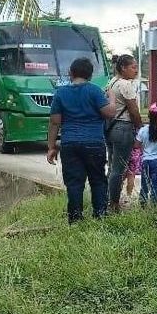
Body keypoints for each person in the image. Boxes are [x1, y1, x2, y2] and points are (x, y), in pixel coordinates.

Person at [47, 58, 116, 223]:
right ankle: (100, 216)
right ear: (90, 75)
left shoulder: (61, 93)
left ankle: (75, 219)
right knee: (98, 180)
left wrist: (51, 147)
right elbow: (109, 113)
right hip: (94, 143)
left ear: (71, 72)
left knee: (74, 183)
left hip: (70, 144)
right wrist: (112, 97)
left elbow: (55, 122)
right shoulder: (95, 91)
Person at [106, 54, 142, 213]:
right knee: (118, 169)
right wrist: (140, 129)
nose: (136, 70)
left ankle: (108, 198)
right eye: (133, 67)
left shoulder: (112, 82)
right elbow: (134, 111)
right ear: (123, 68)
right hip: (124, 128)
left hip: (111, 126)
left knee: (112, 166)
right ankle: (114, 204)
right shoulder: (125, 85)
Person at [134, 106, 157, 208]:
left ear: (149, 117)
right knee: (155, 186)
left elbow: (136, 145)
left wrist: (144, 147)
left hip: (146, 161)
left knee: (144, 185)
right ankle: (153, 207)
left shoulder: (143, 130)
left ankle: (143, 206)